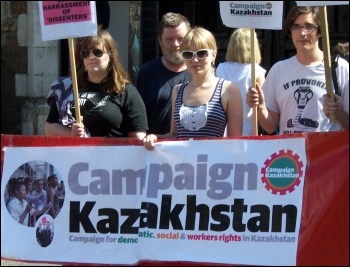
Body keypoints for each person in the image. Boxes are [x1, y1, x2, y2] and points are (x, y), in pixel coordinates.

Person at [246, 6, 349, 134]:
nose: (302, 33)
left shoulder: (339, 68)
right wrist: (260, 107)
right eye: (296, 27)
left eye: (309, 26)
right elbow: (270, 126)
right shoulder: (279, 70)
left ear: (320, 31)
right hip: (291, 152)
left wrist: (339, 113)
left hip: (326, 151)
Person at [143, 27, 243, 150]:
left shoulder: (229, 90)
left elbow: (235, 142)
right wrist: (155, 137)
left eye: (201, 53)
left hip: (214, 165)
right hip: (182, 165)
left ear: (213, 54)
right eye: (188, 54)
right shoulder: (177, 91)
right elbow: (174, 135)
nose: (195, 60)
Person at [45, 28, 148, 139]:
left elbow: (138, 138)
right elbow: (49, 127)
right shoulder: (69, 88)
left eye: (97, 52)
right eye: (85, 53)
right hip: (75, 155)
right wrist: (71, 133)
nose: (91, 57)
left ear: (110, 56)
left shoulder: (127, 91)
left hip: (111, 155)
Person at [136, 12, 192, 135]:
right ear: (160, 41)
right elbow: (137, 120)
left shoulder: (199, 73)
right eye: (169, 39)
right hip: (155, 148)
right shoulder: (146, 73)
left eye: (180, 39)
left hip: (191, 149)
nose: (176, 44)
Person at [216, 28, 266, 135]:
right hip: (248, 131)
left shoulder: (220, 68)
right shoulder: (257, 71)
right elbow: (264, 103)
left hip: (223, 132)